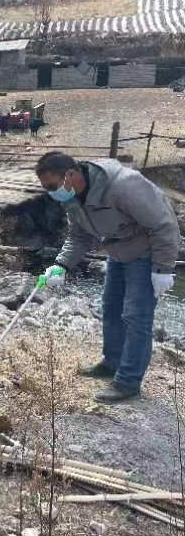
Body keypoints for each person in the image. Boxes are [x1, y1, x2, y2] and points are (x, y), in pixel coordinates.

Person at [35, 152, 181, 403]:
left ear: (70, 174)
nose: (50, 193)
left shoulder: (124, 186)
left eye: (51, 186)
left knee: (136, 316)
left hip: (146, 253)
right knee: (111, 309)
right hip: (117, 251)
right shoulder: (72, 197)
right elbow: (79, 236)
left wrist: (163, 269)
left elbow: (164, 224)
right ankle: (112, 362)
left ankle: (128, 382)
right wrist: (61, 265)